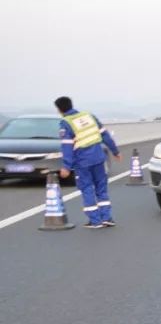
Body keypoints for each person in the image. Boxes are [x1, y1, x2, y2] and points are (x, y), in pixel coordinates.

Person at [55, 96, 122, 228]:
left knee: (87, 189)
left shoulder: (66, 123)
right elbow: (105, 135)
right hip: (98, 158)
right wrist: (115, 151)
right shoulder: (89, 116)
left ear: (59, 109)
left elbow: (67, 146)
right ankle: (107, 218)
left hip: (82, 162)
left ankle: (95, 221)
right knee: (101, 188)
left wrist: (66, 166)